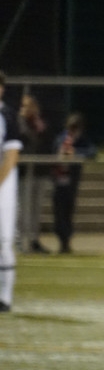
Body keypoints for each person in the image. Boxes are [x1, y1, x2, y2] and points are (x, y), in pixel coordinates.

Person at [50, 113, 97, 254]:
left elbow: (92, 152)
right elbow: (53, 152)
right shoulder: (60, 138)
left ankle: (66, 241)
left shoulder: (82, 140)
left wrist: (75, 153)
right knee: (58, 210)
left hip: (71, 180)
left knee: (68, 210)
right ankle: (61, 239)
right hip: (59, 179)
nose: (73, 131)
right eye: (71, 128)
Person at [17, 93, 53, 254]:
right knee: (22, 208)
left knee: (36, 208)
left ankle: (34, 240)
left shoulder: (42, 125)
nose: (25, 109)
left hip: (40, 170)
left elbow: (47, 145)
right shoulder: (18, 124)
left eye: (28, 105)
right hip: (24, 172)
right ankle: (19, 241)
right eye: (23, 106)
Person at [0, 71, 23, 312]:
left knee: (4, 241)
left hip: (3, 186)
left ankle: (4, 298)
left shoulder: (7, 115)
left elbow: (11, 156)